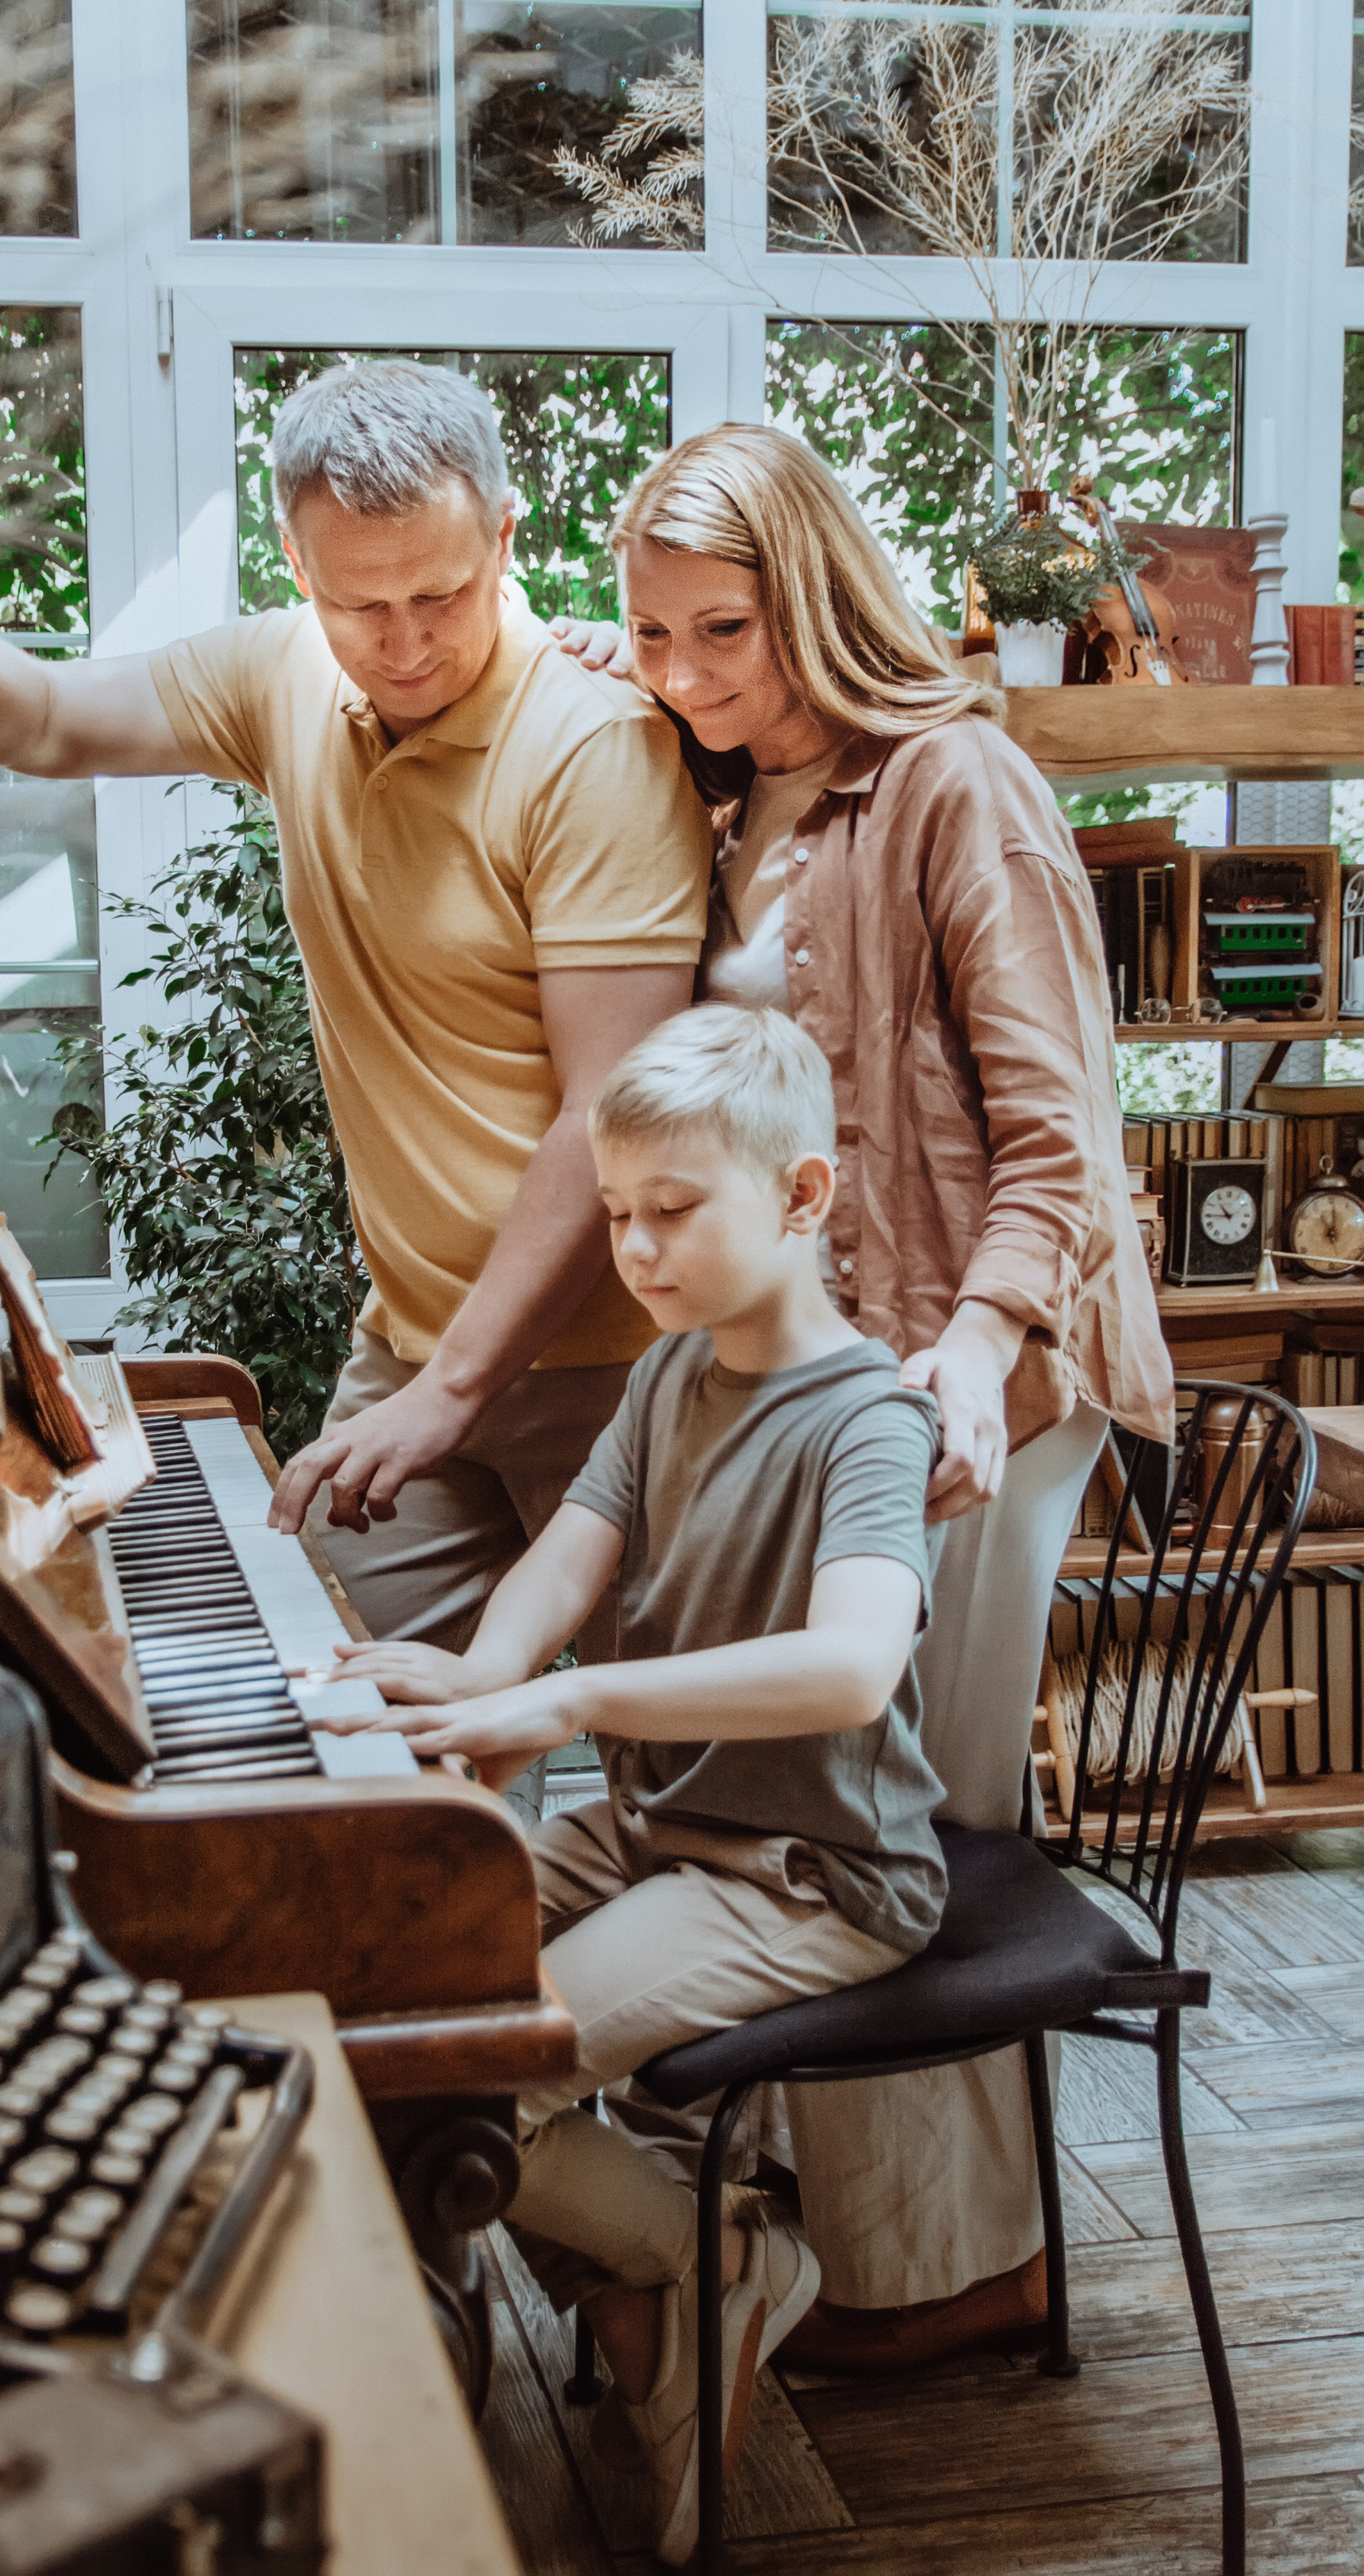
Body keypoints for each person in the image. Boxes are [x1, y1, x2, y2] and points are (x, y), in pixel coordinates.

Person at [548, 423, 1175, 2367]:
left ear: (818, 592)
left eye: (720, 629)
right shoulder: (742, 788)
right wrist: (625, 658)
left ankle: (955, 2273)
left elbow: (1065, 1144)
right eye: (652, 634)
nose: (681, 674)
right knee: (829, 1818)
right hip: (845, 1401)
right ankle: (864, 2234)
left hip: (974, 1382)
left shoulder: (956, 782)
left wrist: (977, 1351)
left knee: (894, 1829)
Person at [0, 362, 713, 1800]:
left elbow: (611, 1111)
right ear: (295, 567)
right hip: (417, 1346)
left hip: (617, 1367)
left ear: (506, 545)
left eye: (442, 595)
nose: (405, 643)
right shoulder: (284, 674)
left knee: (682, 1790)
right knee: (344, 1754)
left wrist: (454, 1391)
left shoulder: (591, 748)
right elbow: (32, 720)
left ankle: (622, 2020)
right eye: (360, 604)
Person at [319, 999, 946, 2566]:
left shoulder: (869, 1416)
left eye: (673, 1211)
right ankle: (657, 2278)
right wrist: (480, 1672)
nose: (636, 1250)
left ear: (800, 1197)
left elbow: (853, 1667)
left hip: (805, 1876)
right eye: (613, 1216)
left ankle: (712, 2263)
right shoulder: (671, 1375)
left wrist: (569, 1692)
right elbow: (570, 1546)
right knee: (384, 1975)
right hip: (664, 1829)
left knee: (482, 2064)